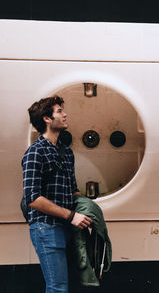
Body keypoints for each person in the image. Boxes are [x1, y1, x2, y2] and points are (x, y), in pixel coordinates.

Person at [21, 96, 92, 293]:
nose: (65, 114)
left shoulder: (66, 152)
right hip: (46, 228)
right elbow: (32, 198)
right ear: (46, 119)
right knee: (58, 287)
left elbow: (74, 191)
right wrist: (71, 216)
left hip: (69, 228)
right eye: (59, 111)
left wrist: (87, 214)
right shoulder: (35, 152)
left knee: (70, 286)